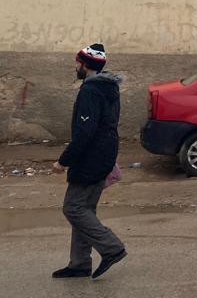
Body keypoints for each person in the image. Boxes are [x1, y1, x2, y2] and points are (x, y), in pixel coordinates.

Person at [51, 44, 127, 280]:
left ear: (86, 65)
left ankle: (112, 247)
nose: (76, 67)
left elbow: (85, 132)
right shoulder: (108, 87)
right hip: (104, 154)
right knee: (84, 210)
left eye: (78, 63)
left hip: (91, 158)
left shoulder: (91, 91)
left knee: (73, 208)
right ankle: (80, 263)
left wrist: (63, 161)